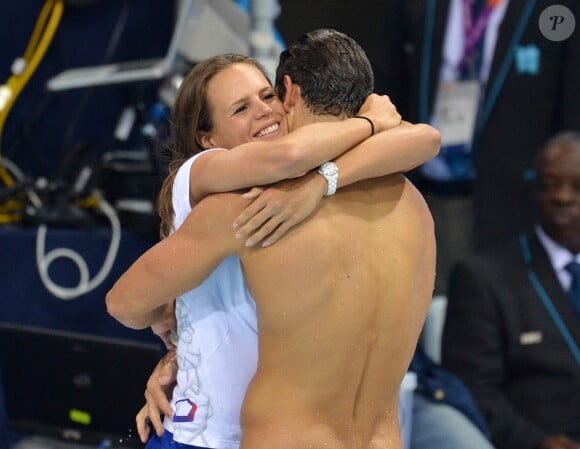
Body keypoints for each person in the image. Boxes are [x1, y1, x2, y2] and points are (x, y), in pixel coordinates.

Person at [108, 29, 440, 449]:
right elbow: (423, 138)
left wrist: (321, 182)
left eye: (267, 97)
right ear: (206, 140)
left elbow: (126, 303)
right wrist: (176, 345)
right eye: (241, 108)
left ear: (288, 93)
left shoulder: (256, 206)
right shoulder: (413, 207)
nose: (265, 113)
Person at [375, 0, 580, 294]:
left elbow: (571, 107)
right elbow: (387, 84)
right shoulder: (415, 7)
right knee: (420, 311)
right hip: (419, 192)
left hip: (515, 204)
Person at [442, 131, 580, 449]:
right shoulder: (483, 278)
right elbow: (472, 390)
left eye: (577, 186)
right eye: (549, 185)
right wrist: (535, 442)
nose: (562, 197)